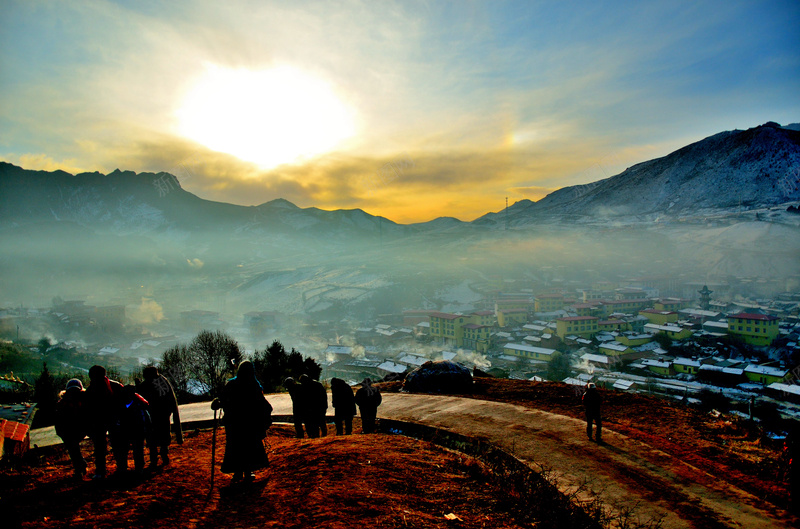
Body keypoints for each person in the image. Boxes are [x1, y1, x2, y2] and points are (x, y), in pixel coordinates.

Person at [213, 361, 272, 484]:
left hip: (235, 424)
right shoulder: (254, 385)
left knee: (236, 447)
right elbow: (263, 405)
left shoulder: (232, 384)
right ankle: (247, 471)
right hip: (249, 424)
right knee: (249, 446)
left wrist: (217, 403)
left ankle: (238, 471)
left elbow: (223, 399)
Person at [84, 365, 126, 479]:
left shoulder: (90, 390)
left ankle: (101, 471)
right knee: (117, 444)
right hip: (113, 419)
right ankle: (122, 467)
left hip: (98, 422)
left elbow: (87, 410)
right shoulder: (115, 386)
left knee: (100, 448)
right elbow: (124, 403)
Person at [137, 366, 183, 468]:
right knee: (161, 437)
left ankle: (157, 457)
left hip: (158, 415)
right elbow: (169, 399)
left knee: (156, 438)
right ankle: (161, 456)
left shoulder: (153, 383)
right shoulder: (161, 381)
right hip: (161, 415)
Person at [55, 378, 88, 479]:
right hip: (75, 430)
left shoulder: (62, 402)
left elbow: (58, 419)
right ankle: (80, 466)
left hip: (67, 431)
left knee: (73, 450)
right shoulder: (83, 400)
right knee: (74, 449)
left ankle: (79, 468)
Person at [116, 385, 152, 475]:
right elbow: (146, 418)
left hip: (130, 431)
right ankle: (137, 468)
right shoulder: (139, 403)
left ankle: (124, 468)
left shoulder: (121, 404)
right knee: (137, 450)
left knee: (126, 450)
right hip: (136, 430)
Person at [299, 374, 328, 438]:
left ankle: (316, 436)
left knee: (315, 423)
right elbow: (324, 397)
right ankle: (321, 435)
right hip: (317, 408)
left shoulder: (304, 387)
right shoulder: (317, 385)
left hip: (314, 408)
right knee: (319, 423)